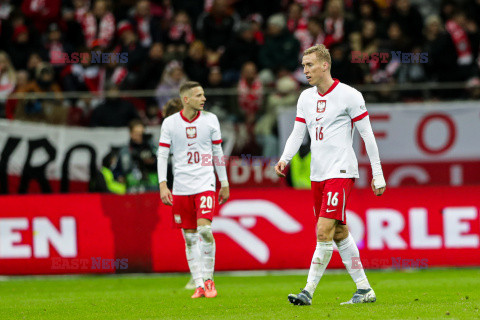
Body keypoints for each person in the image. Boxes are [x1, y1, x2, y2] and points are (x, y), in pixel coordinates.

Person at [274, 44, 386, 306]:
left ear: (325, 65)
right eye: (303, 66)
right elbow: (298, 133)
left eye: (309, 65)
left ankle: (307, 291)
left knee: (323, 231)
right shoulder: (305, 98)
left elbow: (367, 135)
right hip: (318, 174)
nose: (305, 70)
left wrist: (377, 173)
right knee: (339, 232)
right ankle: (364, 289)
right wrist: (284, 159)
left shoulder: (349, 95)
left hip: (341, 170)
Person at [157, 81, 230, 298]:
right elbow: (162, 155)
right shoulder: (170, 123)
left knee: (205, 231)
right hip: (181, 188)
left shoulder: (210, 120)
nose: (204, 98)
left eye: (204, 94)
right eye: (199, 95)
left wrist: (223, 183)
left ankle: (209, 280)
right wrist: (163, 184)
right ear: (186, 99)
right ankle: (198, 284)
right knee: (189, 238)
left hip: (204, 184)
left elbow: (217, 153)